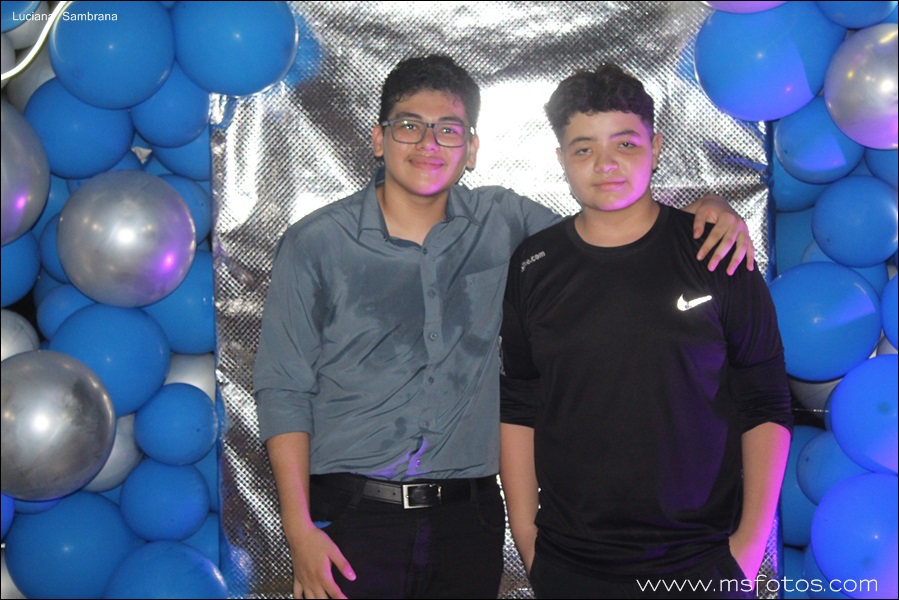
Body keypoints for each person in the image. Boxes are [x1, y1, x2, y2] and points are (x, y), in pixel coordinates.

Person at [253, 55, 755, 600]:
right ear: (379, 139)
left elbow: (611, 229)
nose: (428, 144)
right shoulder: (315, 243)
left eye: (448, 130)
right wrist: (298, 529)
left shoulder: (507, 222)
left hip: (467, 524)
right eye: (409, 125)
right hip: (348, 521)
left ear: (471, 149)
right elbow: (283, 389)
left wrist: (705, 208)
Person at [498, 63, 793, 599]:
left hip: (701, 560)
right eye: (583, 148)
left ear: (655, 148)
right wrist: (527, 538)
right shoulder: (533, 265)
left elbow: (766, 398)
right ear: (561, 159)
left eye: (625, 143)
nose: (605, 164)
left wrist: (748, 549)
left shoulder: (716, 252)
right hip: (570, 564)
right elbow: (519, 405)